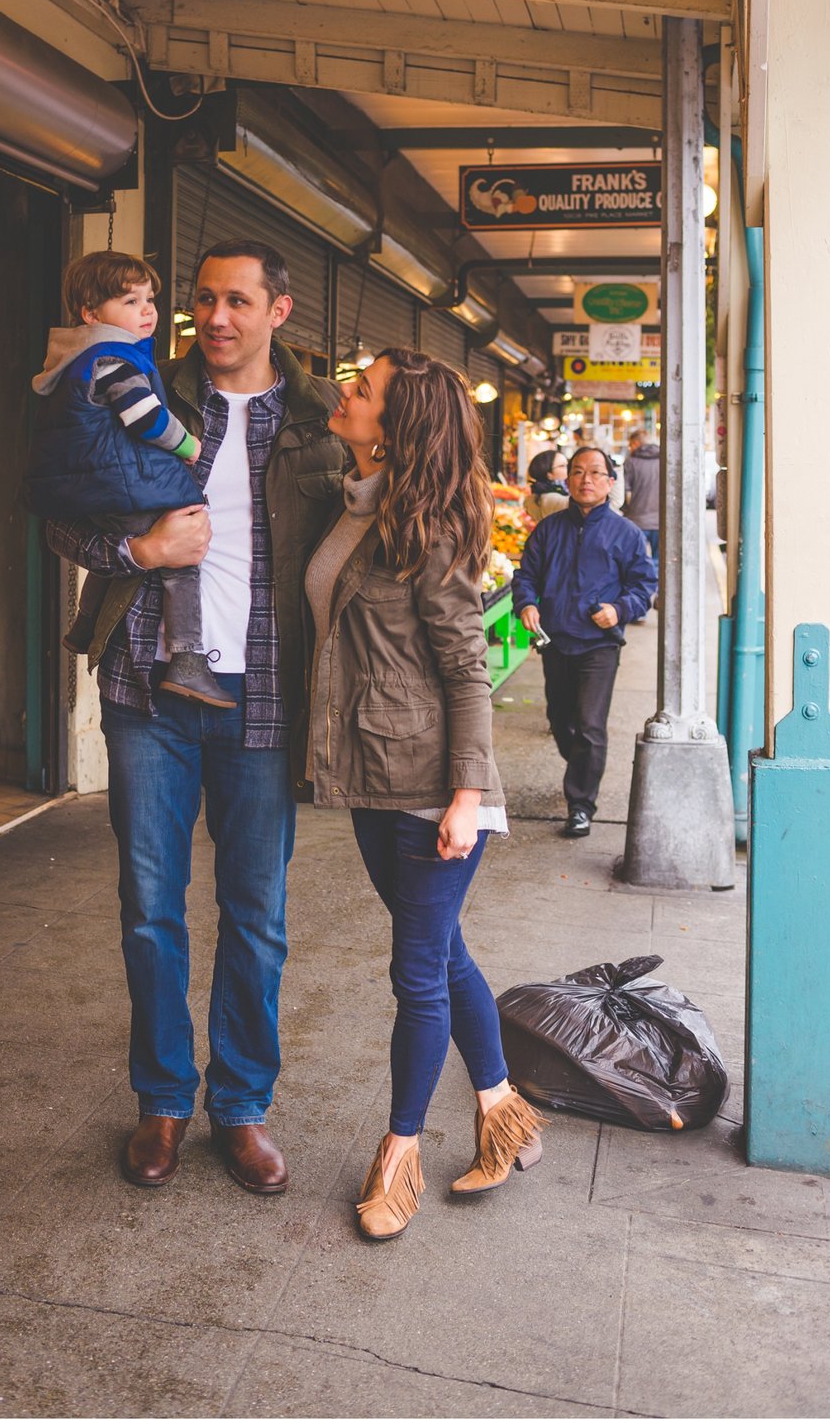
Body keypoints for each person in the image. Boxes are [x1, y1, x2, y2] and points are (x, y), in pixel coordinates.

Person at [46, 241, 348, 1195]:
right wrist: (136, 546)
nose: (216, 317)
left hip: (264, 699)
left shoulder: (320, 422)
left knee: (256, 916)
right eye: (204, 300)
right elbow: (54, 507)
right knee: (150, 909)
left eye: (239, 301)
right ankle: (164, 1099)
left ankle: (243, 1106)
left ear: (279, 311)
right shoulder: (136, 384)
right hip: (148, 694)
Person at [304, 346, 548, 1241]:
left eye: (360, 391)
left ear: (396, 426)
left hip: (436, 790)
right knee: (444, 955)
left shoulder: (434, 533)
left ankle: (398, 1156)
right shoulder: (360, 504)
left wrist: (465, 793)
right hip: (374, 770)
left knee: (416, 974)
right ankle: (503, 1114)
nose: (344, 392)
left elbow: (467, 670)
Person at [29, 251, 232, 709]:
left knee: (114, 543)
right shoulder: (115, 359)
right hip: (120, 481)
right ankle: (187, 660)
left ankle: (85, 624)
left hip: (94, 485)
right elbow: (146, 417)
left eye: (150, 299)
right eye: (131, 300)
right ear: (90, 312)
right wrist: (186, 446)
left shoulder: (79, 357)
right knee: (182, 563)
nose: (148, 311)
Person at [512, 444, 658, 838]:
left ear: (610, 483)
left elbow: (644, 584)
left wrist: (621, 609)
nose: (586, 479)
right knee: (561, 722)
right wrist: (526, 604)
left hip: (599, 645)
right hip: (557, 640)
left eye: (595, 473)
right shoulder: (549, 529)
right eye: (577, 472)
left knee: (591, 727)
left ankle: (580, 805)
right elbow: (525, 575)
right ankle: (581, 765)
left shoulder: (625, 534)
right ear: (566, 480)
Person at [620, 425, 664, 564]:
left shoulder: (631, 462)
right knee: (658, 561)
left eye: (630, 445)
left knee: (636, 562)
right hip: (661, 521)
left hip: (637, 521)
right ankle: (656, 586)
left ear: (637, 443)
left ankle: (645, 586)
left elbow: (625, 492)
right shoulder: (663, 460)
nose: (630, 448)